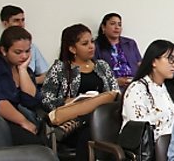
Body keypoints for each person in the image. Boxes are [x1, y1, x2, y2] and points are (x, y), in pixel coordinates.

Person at [41, 24, 120, 161]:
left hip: (102, 118)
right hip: (72, 124)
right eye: (85, 43)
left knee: (97, 121)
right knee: (91, 128)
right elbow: (45, 99)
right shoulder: (60, 68)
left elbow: (115, 93)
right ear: (72, 48)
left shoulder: (102, 66)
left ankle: (84, 121)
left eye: (92, 41)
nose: (91, 46)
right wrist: (67, 101)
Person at [122, 40, 174, 143]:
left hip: (172, 145)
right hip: (147, 149)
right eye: (170, 59)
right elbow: (140, 131)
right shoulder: (137, 89)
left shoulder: (168, 88)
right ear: (154, 62)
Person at [0, 5, 49, 84]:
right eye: (16, 20)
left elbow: (45, 75)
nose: (21, 24)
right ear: (5, 23)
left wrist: (26, 81)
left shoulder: (32, 47)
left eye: (23, 20)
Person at [94, 13, 142, 90]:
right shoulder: (96, 46)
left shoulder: (130, 43)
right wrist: (115, 82)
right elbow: (94, 73)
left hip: (134, 84)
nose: (117, 27)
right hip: (112, 88)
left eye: (119, 25)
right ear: (103, 27)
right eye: (113, 24)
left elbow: (140, 64)